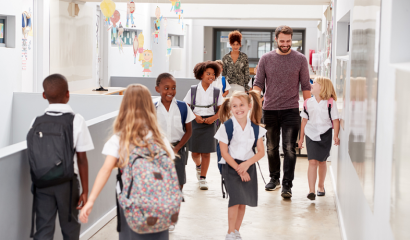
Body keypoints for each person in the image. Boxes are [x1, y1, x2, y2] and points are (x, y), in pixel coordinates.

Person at [79, 84, 176, 240]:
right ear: (150, 107)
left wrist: (90, 201)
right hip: (160, 204)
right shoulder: (160, 139)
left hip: (131, 202)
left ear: (124, 107)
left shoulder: (119, 140)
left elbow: (105, 170)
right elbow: (169, 168)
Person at [29, 74, 94, 240]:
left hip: (41, 183)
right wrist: (86, 191)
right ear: (68, 94)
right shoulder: (76, 120)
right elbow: (81, 159)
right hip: (67, 184)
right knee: (70, 227)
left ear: (44, 95)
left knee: (43, 229)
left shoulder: (36, 121)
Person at [253, 25, 311, 198]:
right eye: (282, 41)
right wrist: (253, 102)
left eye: (288, 41)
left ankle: (287, 185)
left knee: (289, 148)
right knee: (271, 147)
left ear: (291, 39)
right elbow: (258, 84)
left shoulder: (300, 59)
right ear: (276, 39)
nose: (286, 44)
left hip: (291, 110)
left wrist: (309, 109)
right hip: (269, 109)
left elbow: (306, 86)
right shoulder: (266, 58)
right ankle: (274, 178)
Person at [214, 90, 266, 240]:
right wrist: (240, 169)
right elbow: (224, 153)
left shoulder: (256, 128)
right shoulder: (226, 127)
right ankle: (230, 232)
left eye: (241, 105)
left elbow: (261, 152)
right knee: (235, 199)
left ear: (249, 106)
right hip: (231, 167)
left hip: (249, 166)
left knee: (243, 201)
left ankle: (237, 230)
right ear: (230, 109)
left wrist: (246, 165)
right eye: (234, 106)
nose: (238, 109)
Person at [154, 73, 195, 218]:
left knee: (178, 183)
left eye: (173, 88)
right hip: (158, 151)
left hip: (178, 149)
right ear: (157, 88)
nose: (170, 91)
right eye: (166, 88)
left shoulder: (183, 107)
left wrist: (177, 149)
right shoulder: (152, 108)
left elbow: (189, 131)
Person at [183, 61, 223, 190]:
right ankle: (198, 166)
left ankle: (203, 178)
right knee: (195, 153)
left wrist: (213, 118)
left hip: (210, 124)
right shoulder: (193, 90)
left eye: (213, 74)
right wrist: (196, 117)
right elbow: (186, 107)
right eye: (208, 74)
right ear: (201, 75)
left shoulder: (217, 91)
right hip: (195, 123)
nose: (211, 76)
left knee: (206, 153)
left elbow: (221, 109)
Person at [299, 77, 340, 200]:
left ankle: (320, 186)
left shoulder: (330, 103)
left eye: (315, 83)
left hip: (325, 134)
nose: (312, 84)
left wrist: (336, 136)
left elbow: (335, 120)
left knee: (322, 161)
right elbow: (304, 121)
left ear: (322, 87)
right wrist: (301, 138)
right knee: (312, 161)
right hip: (311, 134)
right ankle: (311, 190)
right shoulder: (307, 102)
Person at [222, 31, 250, 97]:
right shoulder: (225, 57)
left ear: (240, 44)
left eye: (237, 44)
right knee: (229, 105)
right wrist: (223, 88)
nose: (235, 46)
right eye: (233, 44)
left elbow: (246, 73)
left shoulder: (244, 57)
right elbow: (223, 73)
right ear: (230, 44)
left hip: (240, 85)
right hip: (228, 87)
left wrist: (246, 87)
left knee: (239, 105)